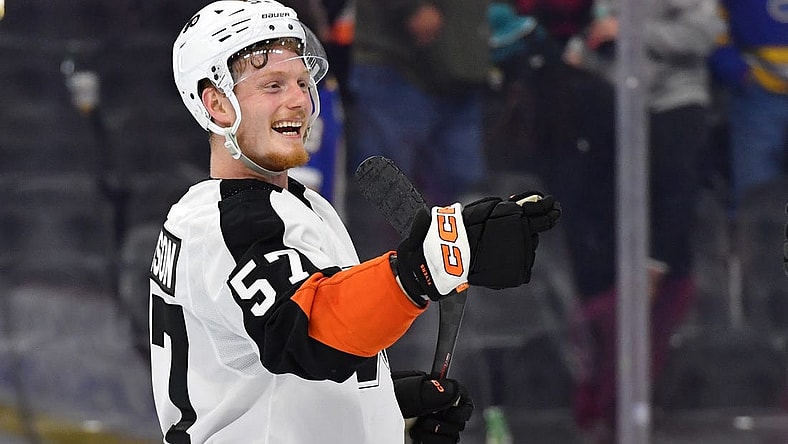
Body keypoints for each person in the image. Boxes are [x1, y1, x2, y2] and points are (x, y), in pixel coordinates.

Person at [149, 1, 561, 443]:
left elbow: (272, 366)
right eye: (272, 85)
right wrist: (423, 268)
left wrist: (380, 409)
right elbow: (309, 333)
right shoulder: (229, 222)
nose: (299, 100)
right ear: (217, 104)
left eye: (303, 82)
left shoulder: (292, 205)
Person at [560, 0, 722, 441]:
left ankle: (641, 406)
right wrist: (585, 50)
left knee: (671, 218)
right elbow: (601, 35)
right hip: (618, 103)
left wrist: (630, 32)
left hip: (674, 104)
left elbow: (703, 34)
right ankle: (600, 407)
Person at [348, 0, 490, 207]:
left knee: (468, 190)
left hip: (460, 63)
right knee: (388, 189)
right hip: (397, 62)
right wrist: (411, 6)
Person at [707, 1, 788, 214]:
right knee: (754, 189)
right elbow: (712, 26)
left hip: (756, 93)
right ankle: (752, 234)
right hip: (757, 95)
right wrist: (737, 71)